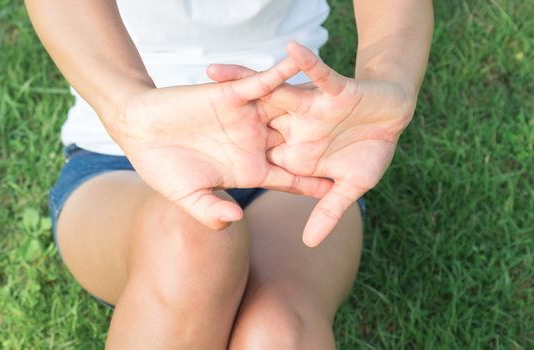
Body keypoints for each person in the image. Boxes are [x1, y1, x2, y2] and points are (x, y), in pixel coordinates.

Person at [25, 0, 433, 348]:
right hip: (127, 154)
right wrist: (130, 110)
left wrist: (389, 86)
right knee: (190, 242)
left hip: (297, 148)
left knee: (277, 333)